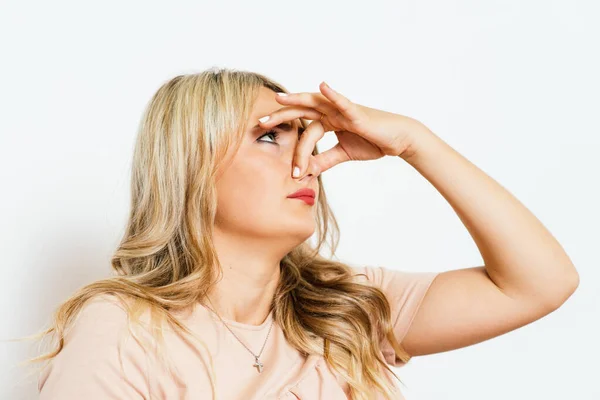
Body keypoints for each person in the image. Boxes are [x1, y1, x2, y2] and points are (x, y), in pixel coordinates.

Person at [28, 67, 578, 399]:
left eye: (305, 137)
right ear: (190, 166)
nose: (304, 160)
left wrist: (415, 143)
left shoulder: (342, 306)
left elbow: (540, 282)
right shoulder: (125, 329)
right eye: (270, 137)